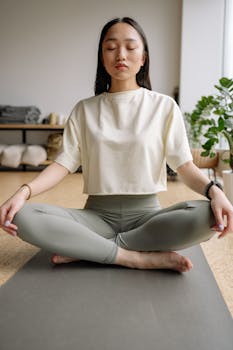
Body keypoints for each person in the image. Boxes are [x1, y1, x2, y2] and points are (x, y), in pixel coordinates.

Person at [0, 17, 233, 273]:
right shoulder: (84, 109)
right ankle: (134, 257)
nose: (120, 54)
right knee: (22, 217)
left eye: (130, 47)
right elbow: (61, 165)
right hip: (95, 217)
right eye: (110, 48)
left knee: (210, 216)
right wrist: (23, 192)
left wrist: (215, 191)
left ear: (143, 57)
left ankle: (91, 250)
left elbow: (184, 166)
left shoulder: (164, 106)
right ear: (102, 58)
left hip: (148, 219)